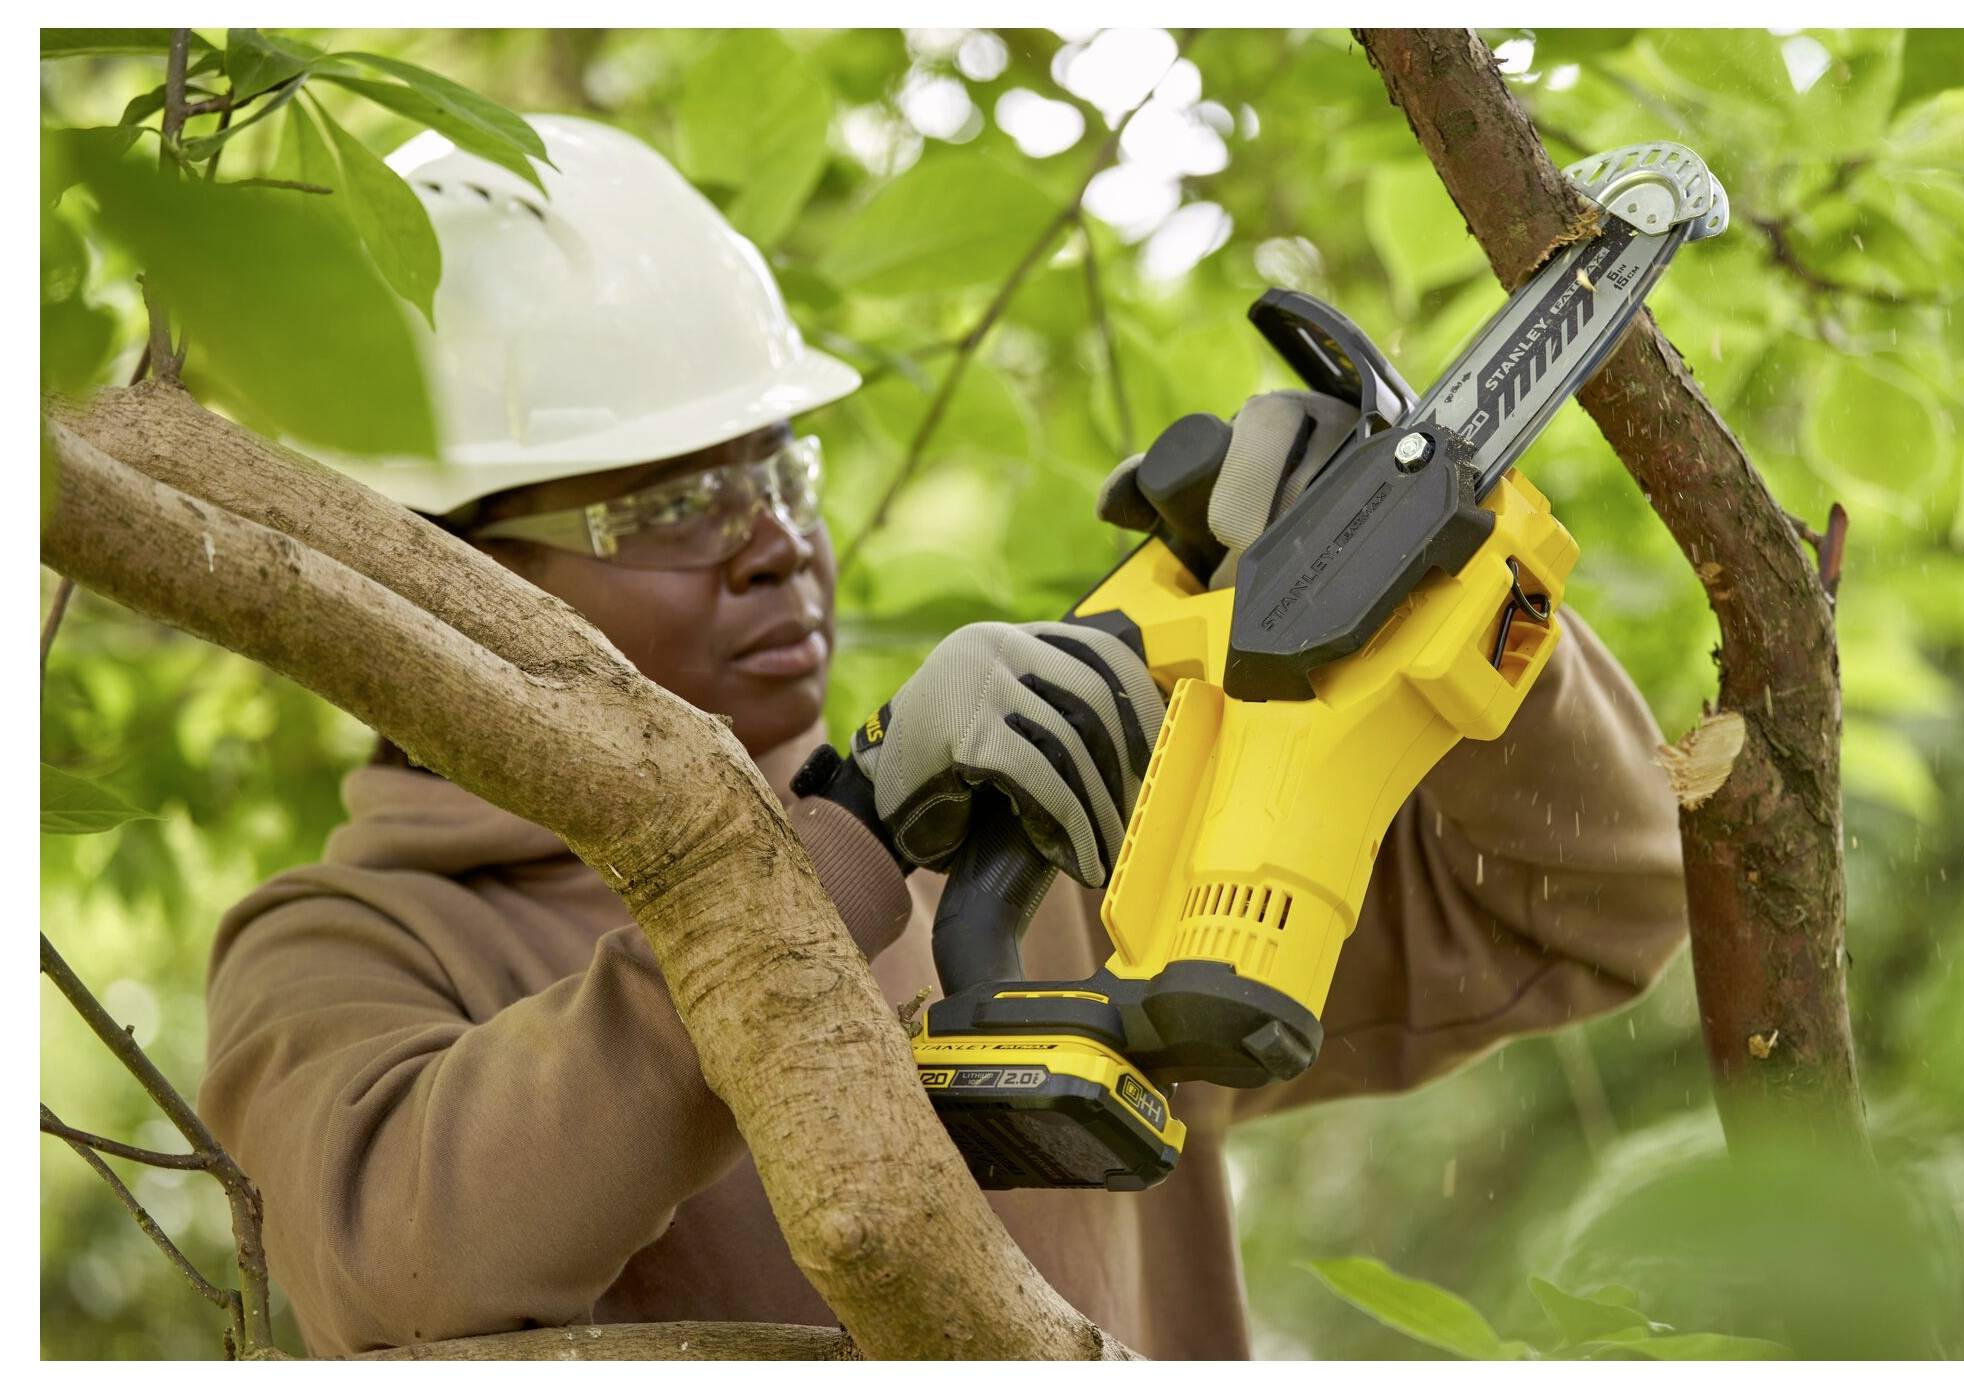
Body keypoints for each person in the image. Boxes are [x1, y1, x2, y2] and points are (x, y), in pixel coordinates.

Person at [198, 115, 1688, 1360]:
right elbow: (397, 1267)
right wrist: (834, 845)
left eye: (781, 475)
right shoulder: (352, 945)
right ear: (433, 575)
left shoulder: (1037, 819)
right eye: (671, 506)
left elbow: (1590, 903)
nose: (775, 545)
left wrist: (1420, 585)